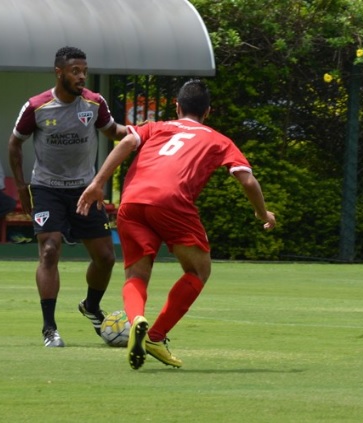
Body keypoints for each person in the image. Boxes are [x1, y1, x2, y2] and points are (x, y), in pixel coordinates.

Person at [76, 79, 276, 370]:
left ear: (177, 106)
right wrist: (262, 213)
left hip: (133, 201)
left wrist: (97, 184)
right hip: (172, 202)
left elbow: (129, 141)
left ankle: (136, 319)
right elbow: (247, 179)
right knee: (198, 269)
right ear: (208, 111)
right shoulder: (218, 140)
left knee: (136, 273)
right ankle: (155, 336)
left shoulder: (156, 127)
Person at [8, 46, 129, 348]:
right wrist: (22, 187)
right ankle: (50, 328)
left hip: (84, 190)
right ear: (59, 72)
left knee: (105, 257)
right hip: (47, 189)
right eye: (75, 71)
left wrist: (144, 133)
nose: (82, 76)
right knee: (50, 249)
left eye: (84, 71)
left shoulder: (94, 103)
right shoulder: (36, 107)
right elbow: (14, 145)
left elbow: (114, 131)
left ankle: (90, 305)